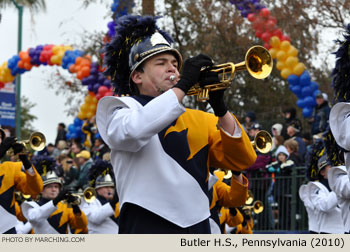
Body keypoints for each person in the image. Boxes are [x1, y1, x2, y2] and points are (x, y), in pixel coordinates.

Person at [96, 15, 256, 234]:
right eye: (161, 63)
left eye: (175, 64)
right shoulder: (120, 109)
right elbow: (132, 132)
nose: (172, 69)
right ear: (137, 76)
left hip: (197, 226)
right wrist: (181, 87)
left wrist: (220, 108)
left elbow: (242, 159)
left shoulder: (202, 119)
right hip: (144, 224)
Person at [21, 156, 88, 234]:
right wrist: (55, 201)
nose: (54, 189)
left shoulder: (65, 206)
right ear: (41, 190)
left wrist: (75, 208)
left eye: (56, 187)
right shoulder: (32, 205)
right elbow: (34, 217)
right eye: (49, 187)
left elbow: (81, 225)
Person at [0, 132, 43, 233]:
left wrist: (26, 161)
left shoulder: (10, 168)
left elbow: (35, 189)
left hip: (6, 230)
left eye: (0, 137)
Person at [308, 154, 344, 233]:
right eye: (331, 166)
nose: (336, 168)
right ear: (322, 172)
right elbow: (325, 205)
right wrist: (339, 187)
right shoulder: (316, 188)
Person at [80, 160, 119, 233]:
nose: (109, 189)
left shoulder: (117, 203)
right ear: (97, 189)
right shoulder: (90, 201)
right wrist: (112, 204)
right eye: (105, 187)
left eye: (111, 187)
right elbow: (95, 217)